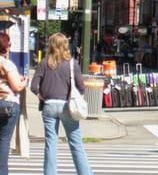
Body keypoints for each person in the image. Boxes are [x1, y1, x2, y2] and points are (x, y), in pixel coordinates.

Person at [30, 33, 93, 175]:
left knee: (51, 143)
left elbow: (34, 87)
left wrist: (43, 98)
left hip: (49, 106)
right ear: (65, 45)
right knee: (76, 143)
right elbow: (82, 88)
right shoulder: (72, 63)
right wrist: (76, 98)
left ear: (51, 45)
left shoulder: (44, 63)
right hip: (67, 106)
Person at [0, 32, 28, 175]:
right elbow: (17, 87)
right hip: (7, 105)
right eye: (9, 44)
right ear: (5, 47)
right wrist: (25, 81)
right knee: (3, 142)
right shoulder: (6, 63)